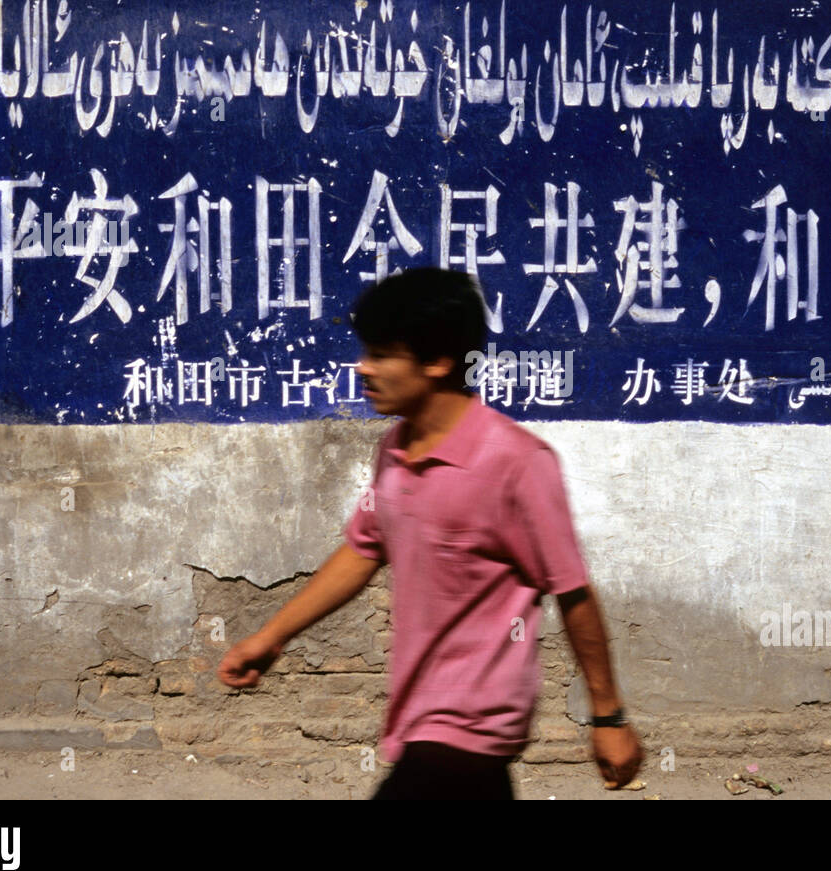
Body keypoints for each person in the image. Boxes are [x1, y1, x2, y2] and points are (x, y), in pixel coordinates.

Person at [218, 267, 642, 799]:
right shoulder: (395, 451)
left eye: (381, 354)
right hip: (419, 720)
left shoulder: (517, 462)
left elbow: (570, 589)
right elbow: (362, 551)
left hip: (470, 728)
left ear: (438, 362)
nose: (363, 368)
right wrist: (269, 638)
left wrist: (608, 716)